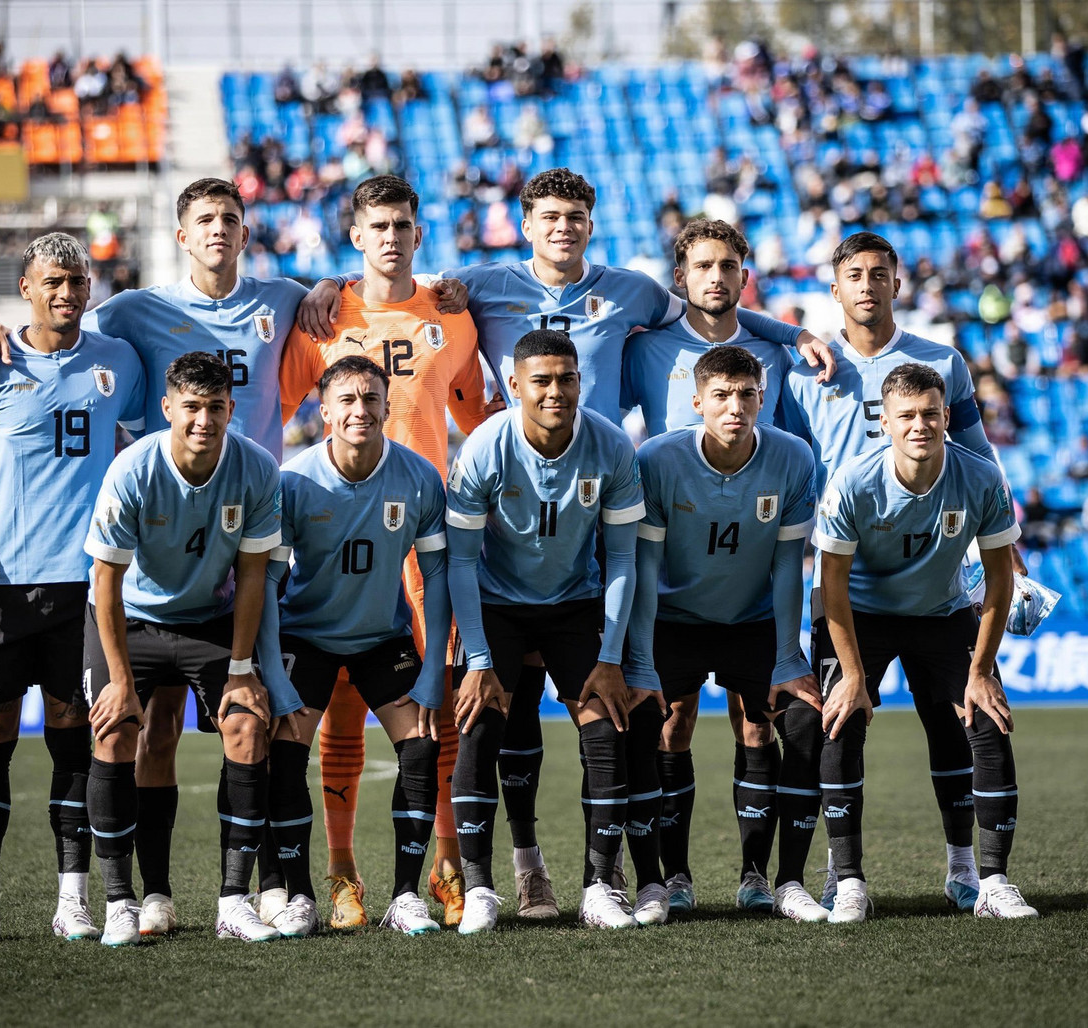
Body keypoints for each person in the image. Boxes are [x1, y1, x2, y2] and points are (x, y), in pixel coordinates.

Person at [304, 166, 831, 917]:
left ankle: (611, 879)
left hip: (590, 530)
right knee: (485, 710)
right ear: (525, 223)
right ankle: (509, 872)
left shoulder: (635, 293)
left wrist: (795, 331)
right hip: (483, 531)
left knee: (615, 710)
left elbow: (716, 313)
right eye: (549, 215)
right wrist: (332, 282)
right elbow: (390, 277)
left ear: (591, 223)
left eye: (576, 215)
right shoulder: (476, 288)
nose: (562, 227)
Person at [0, 177, 465, 936]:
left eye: (231, 217)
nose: (219, 229)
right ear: (181, 234)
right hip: (174, 541)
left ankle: (269, 889)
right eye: (205, 219)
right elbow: (57, 325)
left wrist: (338, 286)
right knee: (158, 726)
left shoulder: (285, 300)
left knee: (255, 721)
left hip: (264, 532)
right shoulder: (136, 310)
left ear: (246, 232)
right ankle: (155, 894)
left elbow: (352, 303)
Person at [780, 231, 1021, 912]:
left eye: (879, 274)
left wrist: (1012, 557)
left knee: (964, 720)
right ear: (835, 289)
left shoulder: (940, 360)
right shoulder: (806, 367)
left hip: (935, 578)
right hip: (846, 574)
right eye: (853, 275)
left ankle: (972, 871)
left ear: (896, 283)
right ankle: (842, 872)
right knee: (832, 719)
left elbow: (980, 462)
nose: (867, 285)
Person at [275, 175, 486, 929]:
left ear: (417, 233)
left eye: (403, 223)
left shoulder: (452, 317)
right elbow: (275, 412)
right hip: (340, 534)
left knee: (438, 706)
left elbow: (480, 415)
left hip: (424, 535)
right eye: (377, 226)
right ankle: (340, 872)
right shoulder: (322, 318)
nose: (391, 236)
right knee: (339, 707)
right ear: (355, 237)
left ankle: (449, 864)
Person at [0, 233, 146, 943]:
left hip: (85, 590)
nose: (67, 293)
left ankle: (72, 898)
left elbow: (147, 454)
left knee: (72, 739)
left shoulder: (118, 360)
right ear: (25, 286)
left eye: (78, 280)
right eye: (53, 280)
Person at [619, 217, 810, 913]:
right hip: (671, 580)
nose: (717, 278)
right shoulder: (645, 349)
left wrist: (791, 334)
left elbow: (793, 443)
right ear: (681, 277)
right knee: (671, 725)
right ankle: (673, 875)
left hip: (750, 577)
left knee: (756, 725)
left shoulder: (770, 351)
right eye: (704, 266)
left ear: (744, 274)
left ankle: (759, 875)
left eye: (730, 266)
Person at [445, 329, 652, 932]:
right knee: (480, 722)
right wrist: (479, 660)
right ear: (514, 387)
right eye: (541, 380)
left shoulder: (611, 447)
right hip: (498, 604)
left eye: (566, 379)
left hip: (573, 603)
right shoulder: (485, 446)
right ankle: (482, 888)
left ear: (581, 383)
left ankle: (599, 886)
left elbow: (623, 559)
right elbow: (458, 560)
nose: (555, 391)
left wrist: (611, 655)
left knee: (606, 720)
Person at [813, 362, 1036, 922]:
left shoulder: (981, 478)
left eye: (931, 414)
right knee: (839, 722)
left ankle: (985, 878)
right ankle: (848, 883)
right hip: (860, 614)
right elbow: (830, 589)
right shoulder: (852, 483)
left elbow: (1000, 579)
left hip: (942, 612)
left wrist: (981, 671)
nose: (921, 425)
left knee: (986, 722)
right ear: (884, 422)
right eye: (907, 415)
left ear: (945, 417)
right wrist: (855, 676)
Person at [82, 352, 282, 946]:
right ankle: (127, 900)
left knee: (247, 726)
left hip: (208, 620)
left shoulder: (257, 468)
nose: (203, 420)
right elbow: (105, 583)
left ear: (230, 410)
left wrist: (243, 668)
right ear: (167, 408)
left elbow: (252, 577)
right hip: (132, 619)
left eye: (215, 408)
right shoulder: (132, 471)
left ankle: (233, 900)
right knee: (120, 729)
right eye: (190, 407)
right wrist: (119, 679)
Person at [256, 355, 450, 937]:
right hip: (306, 637)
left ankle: (406, 897)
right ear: (325, 412)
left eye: (371, 399)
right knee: (283, 748)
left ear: (387, 408)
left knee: (420, 745)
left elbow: (437, 578)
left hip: (380, 638)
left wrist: (433, 669)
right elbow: (265, 583)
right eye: (347, 400)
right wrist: (274, 671)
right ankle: (297, 896)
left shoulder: (418, 478)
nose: (360, 410)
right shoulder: (292, 482)